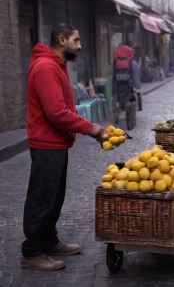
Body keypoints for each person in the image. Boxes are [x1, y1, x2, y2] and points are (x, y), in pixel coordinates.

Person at [22, 23, 109, 271]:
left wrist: (90, 131)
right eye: (76, 40)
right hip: (46, 144)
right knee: (41, 198)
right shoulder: (46, 68)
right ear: (62, 40)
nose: (80, 46)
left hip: (57, 143)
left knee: (54, 197)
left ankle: (48, 242)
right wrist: (91, 128)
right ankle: (31, 252)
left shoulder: (57, 66)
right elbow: (57, 114)